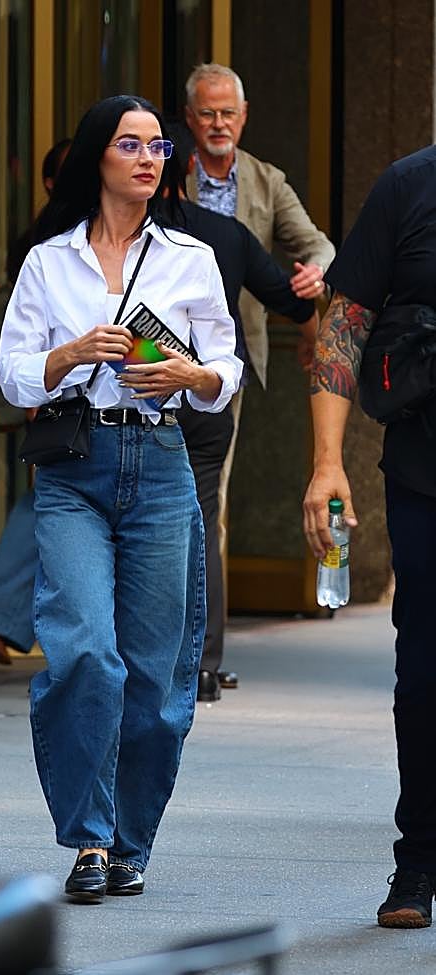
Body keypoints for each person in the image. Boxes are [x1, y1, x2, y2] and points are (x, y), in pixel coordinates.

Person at [0, 94, 241, 902]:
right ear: (97, 156)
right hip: (76, 466)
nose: (148, 159)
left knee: (157, 677)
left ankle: (132, 839)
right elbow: (12, 373)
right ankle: (91, 838)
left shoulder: (190, 256)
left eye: (157, 147)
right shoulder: (49, 260)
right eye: (131, 145)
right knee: (84, 653)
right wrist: (68, 355)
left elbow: (226, 368)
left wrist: (190, 375)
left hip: (162, 462)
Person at [303, 144, 436, 928]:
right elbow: (346, 321)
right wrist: (327, 462)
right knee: (422, 676)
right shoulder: (409, 186)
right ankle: (417, 858)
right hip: (424, 473)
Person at [185, 63, 335, 698]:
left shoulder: (266, 181)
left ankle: (203, 647)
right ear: (189, 119)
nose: (219, 124)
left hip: (228, 361)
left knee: (209, 502)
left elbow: (317, 245)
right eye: (207, 114)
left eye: (229, 114)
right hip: (155, 354)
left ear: (244, 118)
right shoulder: (168, 176)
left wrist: (313, 276)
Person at [0, 140, 71, 666]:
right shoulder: (49, 241)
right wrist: (36, 390)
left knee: (49, 502)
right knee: (49, 501)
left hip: (63, 395)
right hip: (52, 394)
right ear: (49, 183)